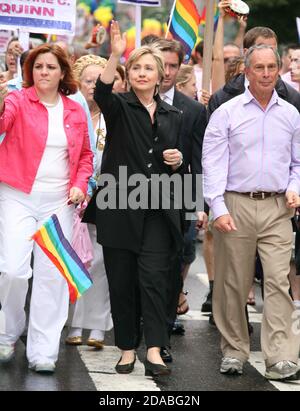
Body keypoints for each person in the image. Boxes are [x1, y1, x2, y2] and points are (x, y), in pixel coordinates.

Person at [83, 21, 184, 376]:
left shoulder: (174, 115)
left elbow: (178, 161)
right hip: (118, 206)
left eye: (149, 68)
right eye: (136, 67)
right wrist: (114, 53)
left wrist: (178, 161)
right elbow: (102, 90)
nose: (142, 73)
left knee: (155, 279)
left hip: (157, 210)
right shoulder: (119, 105)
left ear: (161, 77)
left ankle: (154, 349)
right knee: (122, 280)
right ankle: (127, 348)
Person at [203, 44, 300, 380]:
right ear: (247, 70)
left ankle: (281, 355)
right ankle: (233, 350)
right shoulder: (226, 113)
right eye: (259, 67)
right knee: (233, 281)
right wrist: (217, 208)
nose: (267, 74)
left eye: (272, 67)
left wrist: (295, 187)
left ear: (279, 68)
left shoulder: (291, 115)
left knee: (277, 281)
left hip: (277, 207)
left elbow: (298, 163)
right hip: (236, 204)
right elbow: (212, 164)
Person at [0, 44, 93, 373]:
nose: (43, 72)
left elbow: (84, 157)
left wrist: (81, 184)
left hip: (59, 202)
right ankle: (8, 332)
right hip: (16, 195)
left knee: (52, 276)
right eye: (38, 66)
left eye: (50, 67)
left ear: (62, 73)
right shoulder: (17, 100)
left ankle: (43, 350)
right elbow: (2, 122)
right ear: (30, 72)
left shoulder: (74, 110)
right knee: (13, 269)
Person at [156, 38, 207, 359]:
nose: (167, 72)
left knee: (175, 260)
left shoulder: (194, 110)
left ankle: (163, 329)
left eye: (174, 66)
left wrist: (200, 204)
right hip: (137, 198)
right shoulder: (131, 101)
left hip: (179, 200)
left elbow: (200, 160)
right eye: (163, 64)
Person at [66, 54, 113, 348]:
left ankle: (96, 327)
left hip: (105, 198)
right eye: (88, 80)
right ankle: (73, 322)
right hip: (72, 197)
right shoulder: (70, 112)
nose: (94, 86)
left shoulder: (114, 115)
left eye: (100, 80)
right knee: (73, 261)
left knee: (101, 262)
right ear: (78, 83)